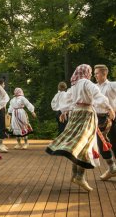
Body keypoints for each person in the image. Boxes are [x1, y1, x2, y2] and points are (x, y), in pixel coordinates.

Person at [46, 64, 115, 192]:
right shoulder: (86, 83)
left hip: (76, 114)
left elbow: (68, 100)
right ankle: (80, 176)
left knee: (78, 144)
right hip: (86, 115)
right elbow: (98, 96)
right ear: (86, 73)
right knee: (85, 145)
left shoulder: (75, 85)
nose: (92, 75)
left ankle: (75, 174)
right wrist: (109, 107)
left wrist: (64, 111)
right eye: (90, 72)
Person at [94, 64, 116, 180]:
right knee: (102, 146)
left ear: (104, 73)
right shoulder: (93, 87)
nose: (95, 75)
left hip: (111, 118)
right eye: (95, 73)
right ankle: (112, 169)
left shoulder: (112, 85)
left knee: (115, 143)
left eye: (97, 73)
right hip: (97, 120)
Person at [0, 78, 9, 152]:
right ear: (0, 84)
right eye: (3, 84)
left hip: (1, 110)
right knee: (1, 127)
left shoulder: (1, 92)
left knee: (2, 127)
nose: (4, 85)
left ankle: (0, 144)